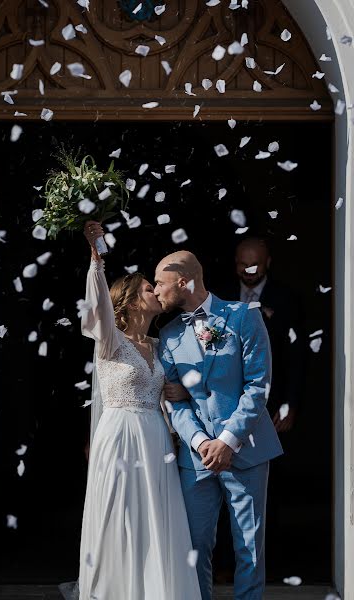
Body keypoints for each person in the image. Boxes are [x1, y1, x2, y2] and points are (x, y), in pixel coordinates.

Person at [62, 222, 202, 600]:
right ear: (129, 300)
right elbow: (97, 310)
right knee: (119, 515)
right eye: (147, 288)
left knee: (155, 518)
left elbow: (166, 391)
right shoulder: (110, 341)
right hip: (120, 438)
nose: (156, 291)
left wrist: (176, 394)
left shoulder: (159, 346)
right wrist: (97, 256)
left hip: (155, 438)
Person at [154, 250, 283, 600]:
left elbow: (258, 386)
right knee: (193, 547)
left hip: (246, 450)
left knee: (249, 548)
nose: (155, 291)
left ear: (184, 282)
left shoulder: (244, 317)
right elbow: (174, 399)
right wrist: (199, 442)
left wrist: (227, 440)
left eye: (161, 284)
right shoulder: (167, 335)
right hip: (196, 459)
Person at [225, 237, 306, 431]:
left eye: (255, 265)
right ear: (236, 263)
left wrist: (290, 403)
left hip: (272, 398)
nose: (249, 270)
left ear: (268, 262)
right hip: (228, 401)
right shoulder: (222, 294)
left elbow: (296, 356)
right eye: (244, 265)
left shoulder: (287, 299)